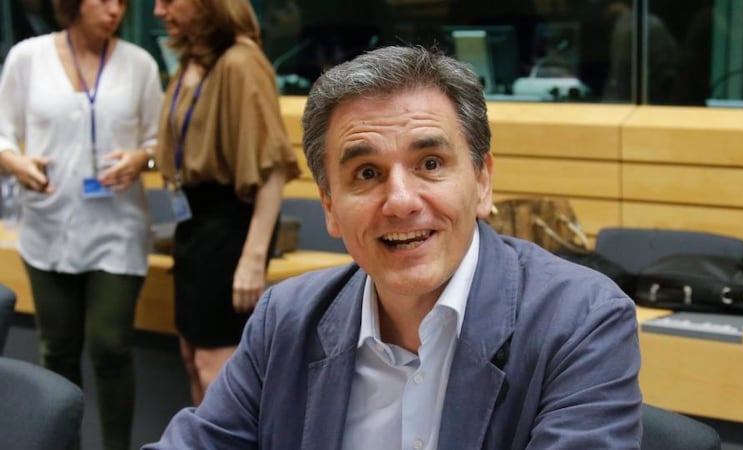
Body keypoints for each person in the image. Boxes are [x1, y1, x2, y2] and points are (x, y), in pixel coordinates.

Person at [145, 45, 642, 449]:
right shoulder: (286, 320)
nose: (401, 202)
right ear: (330, 206)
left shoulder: (581, 321)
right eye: (366, 173)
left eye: (429, 163)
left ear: (482, 182)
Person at [0, 0, 163, 449]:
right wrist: (15, 162)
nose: (115, 10)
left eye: (121, 2)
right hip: (47, 226)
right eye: (103, 0)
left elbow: (158, 142)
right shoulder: (27, 57)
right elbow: (3, 133)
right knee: (58, 350)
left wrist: (139, 158)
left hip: (119, 226)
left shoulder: (139, 64)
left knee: (111, 346)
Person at [152, 0, 300, 405]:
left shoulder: (240, 62)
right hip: (194, 224)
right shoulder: (192, 61)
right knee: (191, 355)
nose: (158, 12)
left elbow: (271, 171)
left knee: (215, 366)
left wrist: (253, 259)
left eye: (168, 1)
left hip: (229, 225)